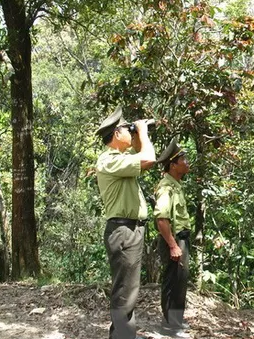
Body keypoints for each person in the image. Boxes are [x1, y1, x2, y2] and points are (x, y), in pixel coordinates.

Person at [95, 106, 156, 339]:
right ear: (117, 133)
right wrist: (141, 130)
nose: (131, 133)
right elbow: (149, 158)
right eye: (127, 129)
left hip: (131, 230)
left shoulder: (121, 160)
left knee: (129, 290)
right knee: (124, 293)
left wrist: (139, 132)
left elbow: (143, 154)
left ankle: (125, 334)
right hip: (123, 231)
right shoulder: (108, 160)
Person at [154, 138, 192, 338]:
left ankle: (176, 322)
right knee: (172, 282)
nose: (187, 162)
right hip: (174, 240)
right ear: (173, 164)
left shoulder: (175, 184)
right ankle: (169, 327)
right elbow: (161, 219)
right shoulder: (166, 187)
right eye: (183, 159)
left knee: (180, 282)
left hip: (181, 239)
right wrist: (172, 245)